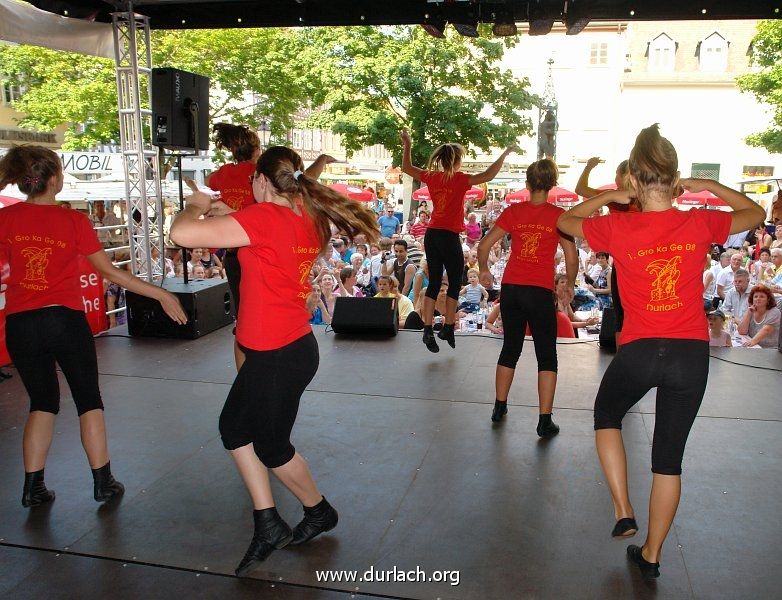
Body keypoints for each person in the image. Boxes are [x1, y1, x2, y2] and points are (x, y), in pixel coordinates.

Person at [557, 124, 765, 579]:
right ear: (674, 177)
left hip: (641, 349)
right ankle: (651, 555)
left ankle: (623, 508)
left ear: (633, 178)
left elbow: (566, 221)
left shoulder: (618, 224)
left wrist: (611, 195)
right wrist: (707, 185)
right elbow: (755, 211)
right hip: (690, 353)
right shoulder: (699, 220)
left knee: (606, 416)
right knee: (669, 461)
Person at [171, 146, 378, 576]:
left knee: (270, 446)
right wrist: (232, 210)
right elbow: (264, 231)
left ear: (263, 181)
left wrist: (195, 204)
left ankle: (318, 511)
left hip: (279, 353)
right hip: (287, 348)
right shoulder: (306, 218)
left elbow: (183, 235)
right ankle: (267, 522)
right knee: (234, 429)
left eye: (252, 183)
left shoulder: (265, 220)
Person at [0, 146, 187, 508]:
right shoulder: (74, 221)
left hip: (21, 324)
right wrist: (162, 295)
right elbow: (110, 272)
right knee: (89, 401)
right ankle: (103, 483)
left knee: (42, 403)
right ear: (54, 178)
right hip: (64, 321)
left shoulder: (6, 220)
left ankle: (32, 487)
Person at [206, 123, 335, 370]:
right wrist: (320, 160)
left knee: (243, 320)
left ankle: (245, 376)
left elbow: (209, 181)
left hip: (239, 256)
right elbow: (304, 180)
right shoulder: (267, 176)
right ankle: (254, 378)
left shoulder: (225, 173)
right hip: (265, 249)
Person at [477, 158, 578, 434]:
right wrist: (569, 282)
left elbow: (484, 244)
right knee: (547, 355)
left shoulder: (514, 212)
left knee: (511, 347)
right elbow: (571, 255)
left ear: (527, 183)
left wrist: (484, 270)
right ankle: (544, 421)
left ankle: (499, 406)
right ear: (552, 184)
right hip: (538, 290)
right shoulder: (559, 216)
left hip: (512, 288)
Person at [401, 128, 516, 352]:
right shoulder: (460, 179)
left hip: (432, 234)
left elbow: (406, 167)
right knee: (454, 282)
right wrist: (504, 154)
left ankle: (427, 329)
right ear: (456, 161)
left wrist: (407, 144)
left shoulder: (432, 177)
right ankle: (448, 326)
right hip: (449, 235)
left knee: (434, 282)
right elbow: (488, 175)